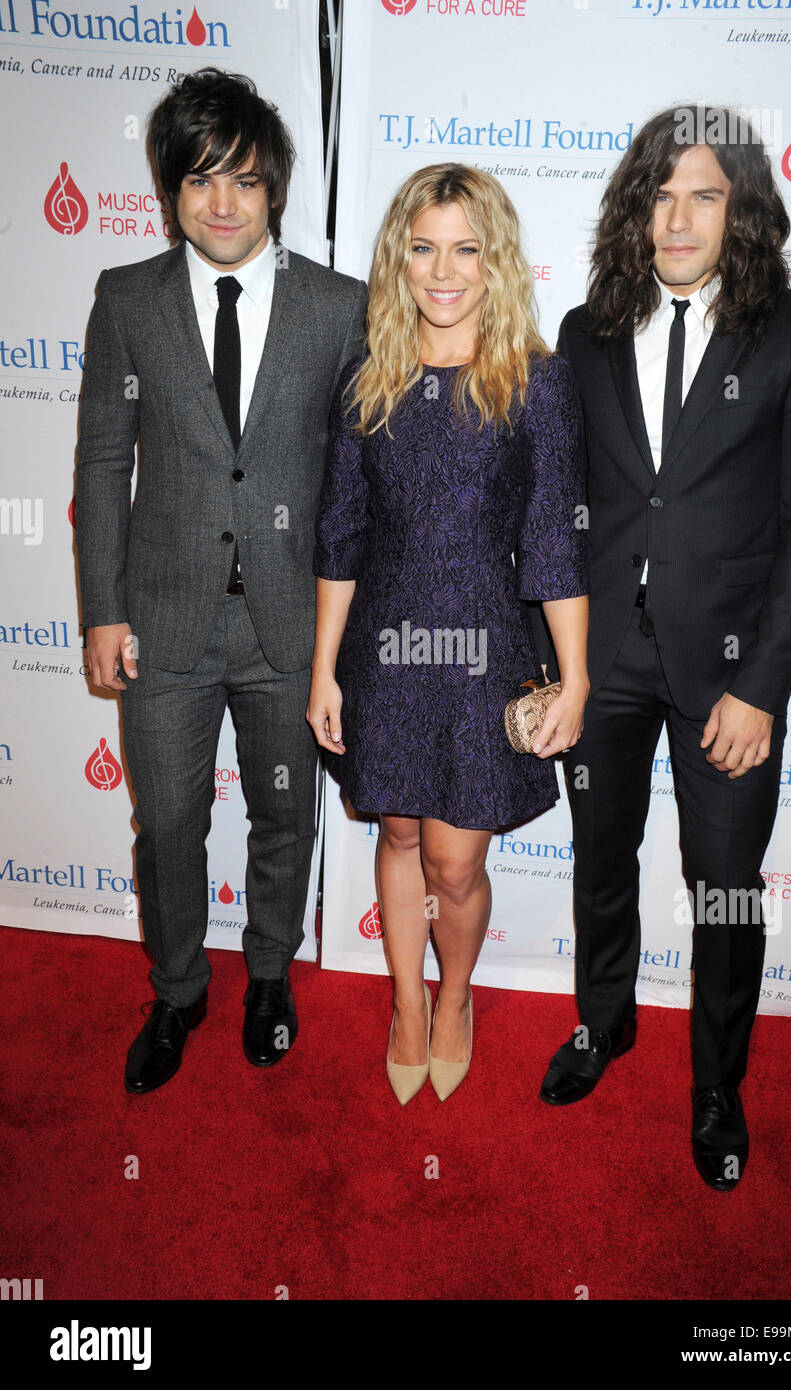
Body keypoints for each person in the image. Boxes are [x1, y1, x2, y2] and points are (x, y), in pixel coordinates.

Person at [531, 105, 791, 1189]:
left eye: (701, 195)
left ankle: (716, 1083)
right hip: (603, 658)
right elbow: (557, 508)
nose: (675, 218)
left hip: (727, 669)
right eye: (658, 195)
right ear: (636, 208)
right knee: (598, 859)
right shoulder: (585, 332)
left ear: (741, 210)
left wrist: (759, 688)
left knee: (721, 882)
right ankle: (604, 1022)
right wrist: (554, 666)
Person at [75, 67, 366, 1094]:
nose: (222, 203)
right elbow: (105, 463)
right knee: (168, 819)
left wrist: (355, 629)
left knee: (285, 814)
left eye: (243, 179)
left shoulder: (342, 308)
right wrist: (102, 611)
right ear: (170, 191)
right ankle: (178, 985)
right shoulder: (127, 299)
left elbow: (358, 478)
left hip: (294, 626)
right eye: (199, 180)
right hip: (163, 622)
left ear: (274, 185)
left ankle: (272, 974)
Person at [308, 164, 588, 1105]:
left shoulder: (536, 385)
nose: (443, 270)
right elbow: (340, 535)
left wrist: (576, 679)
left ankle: (456, 995)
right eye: (424, 247)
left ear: (495, 260)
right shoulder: (367, 380)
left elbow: (554, 543)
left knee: (455, 860)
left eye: (466, 249)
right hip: (382, 653)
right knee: (397, 833)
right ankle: (405, 1005)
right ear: (400, 256)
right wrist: (323, 672)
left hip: (485, 658)